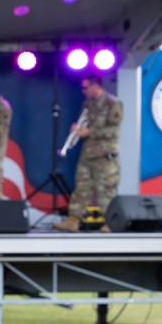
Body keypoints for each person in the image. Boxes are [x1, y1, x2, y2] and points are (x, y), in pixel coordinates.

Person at [52, 74, 123, 232]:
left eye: (85, 87)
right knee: (81, 188)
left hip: (105, 154)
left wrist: (89, 132)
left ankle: (110, 223)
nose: (83, 91)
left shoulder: (113, 103)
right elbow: (83, 125)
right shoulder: (87, 104)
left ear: (95, 85)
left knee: (106, 189)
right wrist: (76, 130)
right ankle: (73, 220)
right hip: (88, 154)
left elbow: (112, 130)